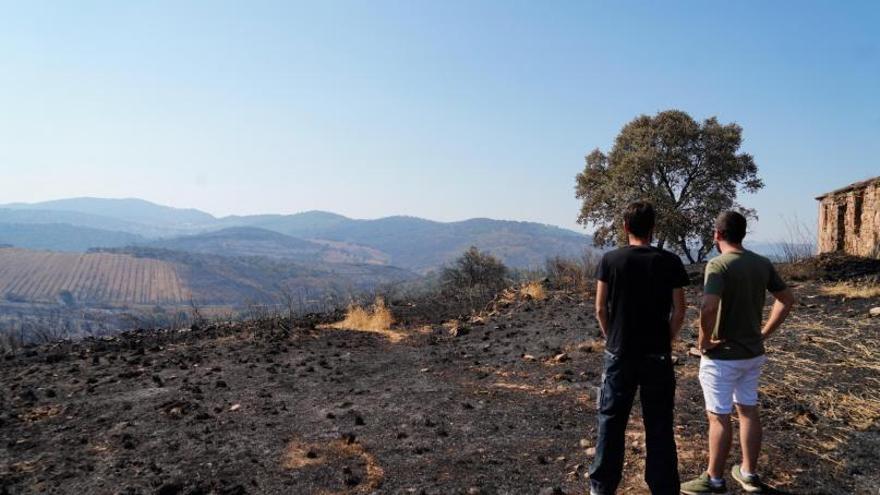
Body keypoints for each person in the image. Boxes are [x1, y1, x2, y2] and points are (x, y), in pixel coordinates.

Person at [681, 211, 795, 494]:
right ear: (742, 234)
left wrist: (704, 340)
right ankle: (748, 473)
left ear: (717, 235)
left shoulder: (718, 265)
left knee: (718, 416)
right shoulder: (762, 263)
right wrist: (765, 333)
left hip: (723, 357)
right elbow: (786, 299)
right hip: (752, 354)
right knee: (748, 410)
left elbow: (708, 307)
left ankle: (714, 479)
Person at [588, 201, 689, 495]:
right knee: (659, 423)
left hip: (620, 353)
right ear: (653, 227)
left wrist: (612, 338)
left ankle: (602, 487)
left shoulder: (610, 260)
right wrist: (666, 340)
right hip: (656, 355)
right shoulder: (670, 261)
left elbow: (599, 309)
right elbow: (680, 311)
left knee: (611, 420)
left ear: (625, 227)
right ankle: (663, 487)